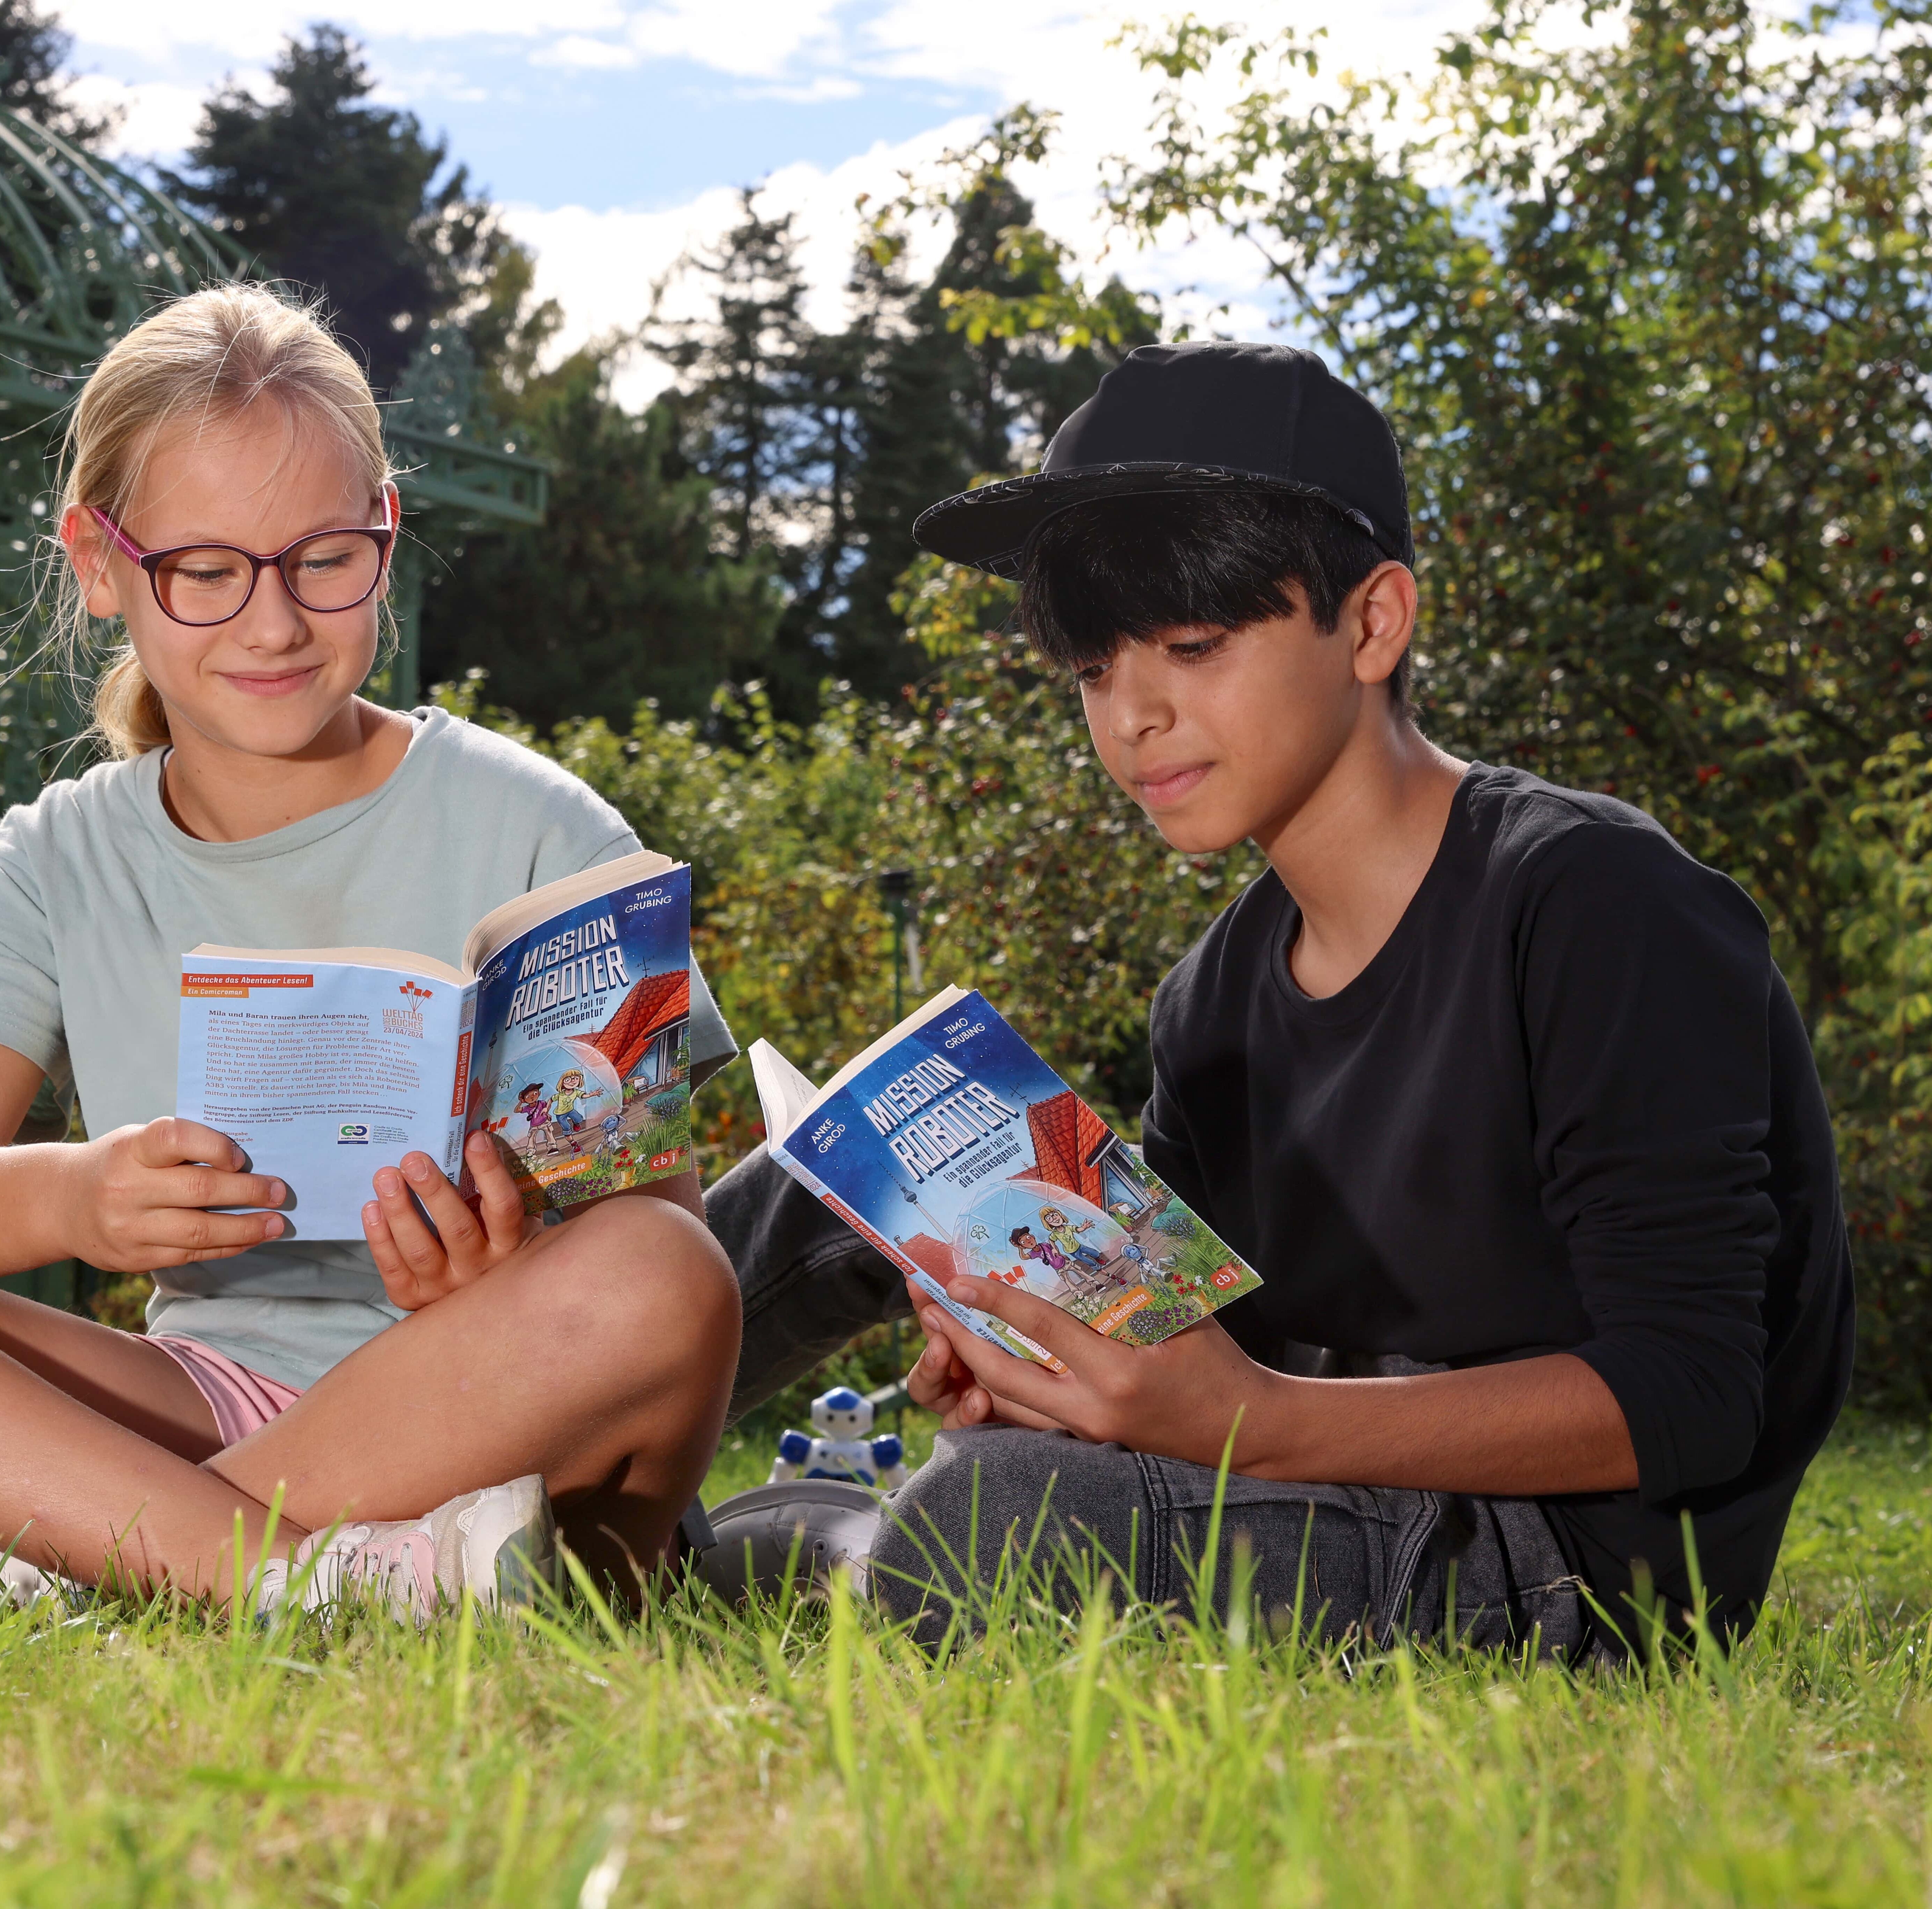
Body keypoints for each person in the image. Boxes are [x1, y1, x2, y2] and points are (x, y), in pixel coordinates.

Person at [709, 341, 1852, 1657]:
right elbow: (1212, 1362)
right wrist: (1067, 1379)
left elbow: (1697, 1394)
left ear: (1372, 623)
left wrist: (1233, 1417)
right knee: (850, 1170)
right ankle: (544, 1466)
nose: (1132, 715)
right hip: (1307, 1485)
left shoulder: (1594, 903)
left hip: (1559, 1561)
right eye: (1091, 671)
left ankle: (854, 1550)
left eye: (1192, 646)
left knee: (986, 1519)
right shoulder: (1213, 1001)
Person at [0, 283, 741, 1619]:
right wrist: (77, 1198)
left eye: (325, 558)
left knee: (661, 1271)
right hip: (203, 1407)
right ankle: (287, 1581)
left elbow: (667, 1242)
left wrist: (497, 1274)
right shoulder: (55, 858)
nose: (272, 624)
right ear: (101, 567)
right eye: (206, 571)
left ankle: (75, 1559)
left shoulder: (538, 823)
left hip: (507, 1411)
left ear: (387, 534)